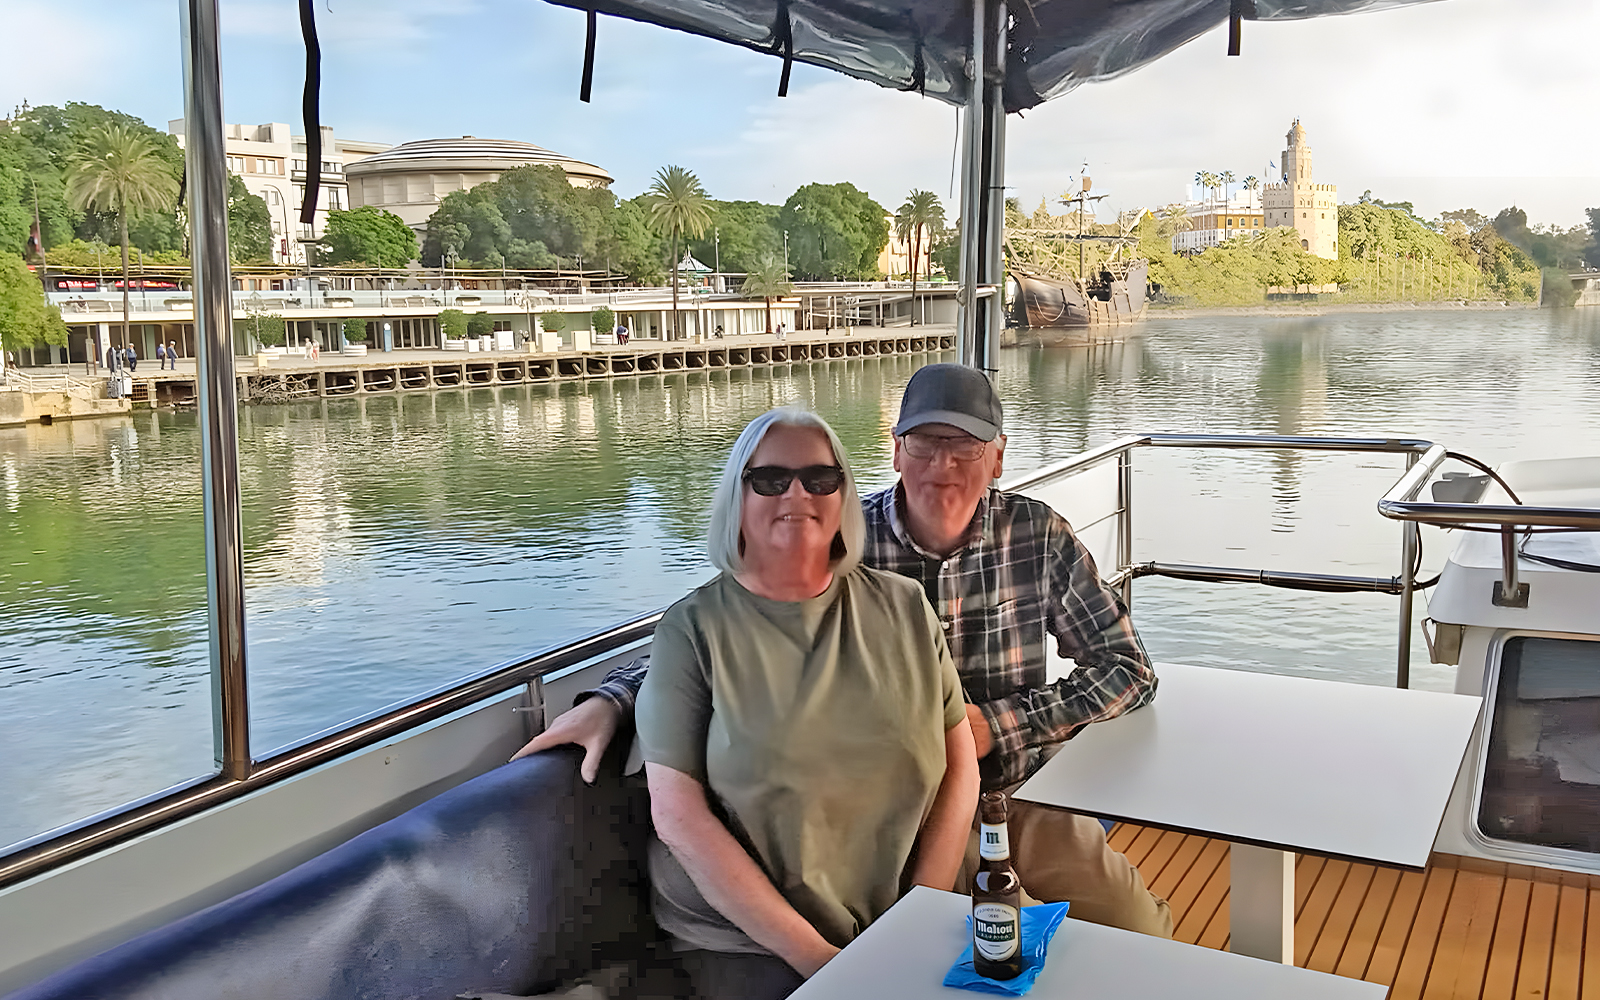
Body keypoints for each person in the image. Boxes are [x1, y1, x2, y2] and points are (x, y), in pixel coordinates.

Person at [514, 364, 1170, 939]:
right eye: (924, 443)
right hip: (894, 806)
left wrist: (994, 726)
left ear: (998, 459)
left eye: (965, 447)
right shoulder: (839, 542)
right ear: (895, 452)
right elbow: (734, 628)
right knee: (1002, 952)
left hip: (1014, 788)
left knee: (1135, 925)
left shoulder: (1038, 536)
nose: (943, 466)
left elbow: (1128, 670)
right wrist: (614, 698)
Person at [566, 407, 976, 998]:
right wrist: (820, 960)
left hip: (909, 905)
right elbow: (679, 816)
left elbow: (959, 761)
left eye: (819, 478)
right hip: (751, 937)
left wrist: (920, 914)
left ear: (843, 493)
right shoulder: (692, 630)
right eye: (770, 479)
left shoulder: (905, 606)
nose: (797, 494)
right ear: (739, 495)